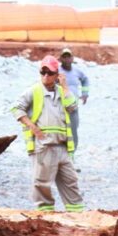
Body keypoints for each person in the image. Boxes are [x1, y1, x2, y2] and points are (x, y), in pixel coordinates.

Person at [11, 55, 85, 213]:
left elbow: (72, 106)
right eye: (42, 72)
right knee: (42, 183)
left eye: (49, 73)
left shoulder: (61, 91)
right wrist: (32, 127)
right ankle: (46, 216)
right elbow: (16, 108)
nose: (45, 76)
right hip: (44, 146)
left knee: (71, 181)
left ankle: (78, 215)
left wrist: (65, 87)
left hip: (62, 147)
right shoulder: (34, 91)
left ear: (57, 74)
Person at [58, 48, 90, 152]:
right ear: (60, 58)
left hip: (73, 108)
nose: (67, 59)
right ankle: (60, 160)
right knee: (60, 133)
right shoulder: (56, 71)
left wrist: (85, 94)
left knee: (73, 133)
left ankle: (71, 159)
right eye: (64, 57)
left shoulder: (77, 71)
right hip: (60, 109)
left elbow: (85, 80)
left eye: (69, 57)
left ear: (72, 58)